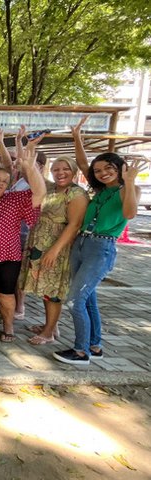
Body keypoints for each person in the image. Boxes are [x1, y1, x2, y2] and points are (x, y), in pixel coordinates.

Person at [53, 117, 140, 365]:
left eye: (108, 169)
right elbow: (82, 163)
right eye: (99, 170)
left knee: (75, 299)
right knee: (88, 297)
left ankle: (81, 352)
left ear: (120, 168)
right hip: (81, 244)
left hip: (101, 248)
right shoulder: (101, 190)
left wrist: (131, 181)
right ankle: (95, 345)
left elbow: (130, 214)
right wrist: (77, 136)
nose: (102, 174)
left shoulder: (126, 189)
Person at [0, 137, 45, 343]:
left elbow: (39, 193)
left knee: (5, 295)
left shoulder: (15, 199)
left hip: (7, 258)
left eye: (5, 182)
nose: (0, 185)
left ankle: (8, 326)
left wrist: (31, 169)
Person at [20, 156, 88, 345]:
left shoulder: (76, 194)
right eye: (56, 169)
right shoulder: (50, 188)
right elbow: (28, 174)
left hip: (58, 248)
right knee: (45, 288)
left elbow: (74, 225)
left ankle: (49, 332)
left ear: (74, 171)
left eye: (65, 169)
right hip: (40, 243)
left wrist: (54, 251)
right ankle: (51, 325)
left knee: (53, 291)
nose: (60, 173)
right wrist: (27, 150)